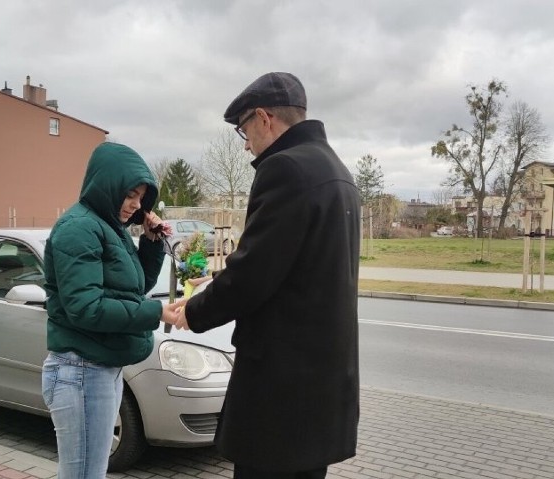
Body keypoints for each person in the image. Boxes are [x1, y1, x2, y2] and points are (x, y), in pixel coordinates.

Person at [173, 72, 362, 478]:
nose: (244, 144)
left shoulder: (286, 169)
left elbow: (253, 277)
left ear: (264, 118)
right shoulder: (336, 170)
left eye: (244, 130)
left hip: (281, 396)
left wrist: (193, 310)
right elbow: (294, 269)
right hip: (320, 390)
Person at [41, 141, 181, 478]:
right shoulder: (79, 229)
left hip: (99, 369)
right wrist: (155, 312)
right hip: (80, 371)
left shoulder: (109, 229)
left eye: (141, 199)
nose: (135, 206)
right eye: (130, 195)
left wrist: (149, 242)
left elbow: (132, 289)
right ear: (107, 185)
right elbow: (87, 309)